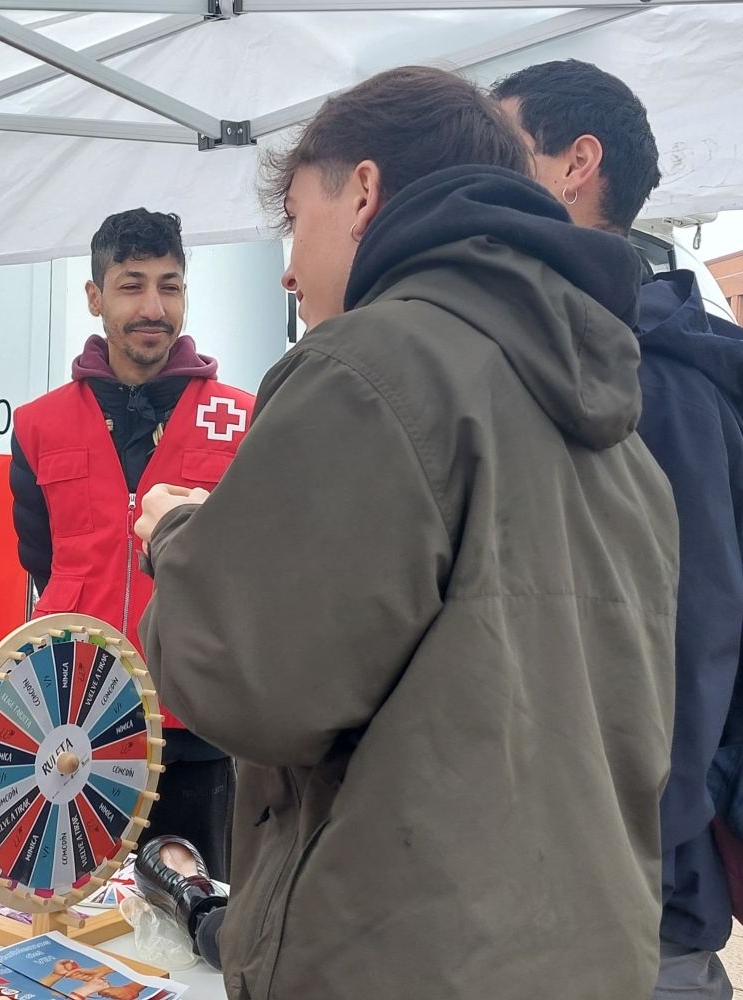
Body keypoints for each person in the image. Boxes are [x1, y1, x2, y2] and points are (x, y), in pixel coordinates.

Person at [135, 66, 677, 999]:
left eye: (297, 220)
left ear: (366, 193)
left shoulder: (373, 366)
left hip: (405, 959)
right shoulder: (621, 429)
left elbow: (245, 679)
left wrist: (177, 533)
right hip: (590, 952)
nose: (289, 268)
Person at [496, 58, 743, 1000]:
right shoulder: (561, 361)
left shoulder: (660, 380)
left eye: (500, 150)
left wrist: (638, 838)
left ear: (575, 165)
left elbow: (695, 643)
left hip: (634, 914)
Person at [9, 208, 255, 881]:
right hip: (70, 723)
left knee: (191, 908)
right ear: (95, 297)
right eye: (132, 285)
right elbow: (41, 559)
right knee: (71, 902)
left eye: (170, 286)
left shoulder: (242, 417)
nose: (154, 307)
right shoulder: (38, 425)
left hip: (194, 724)